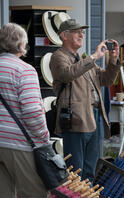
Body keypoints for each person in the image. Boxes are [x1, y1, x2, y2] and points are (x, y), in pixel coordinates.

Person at [50, 18, 120, 183]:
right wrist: (94, 56)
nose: (81, 34)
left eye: (82, 31)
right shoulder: (58, 56)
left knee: (90, 168)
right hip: (76, 118)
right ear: (64, 35)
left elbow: (106, 79)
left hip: (94, 116)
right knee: (76, 169)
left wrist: (113, 59)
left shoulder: (83, 58)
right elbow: (67, 74)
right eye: (76, 31)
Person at [0, 23, 50, 198]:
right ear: (21, 44)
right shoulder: (25, 70)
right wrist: (44, 138)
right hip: (20, 145)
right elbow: (32, 111)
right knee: (34, 197)